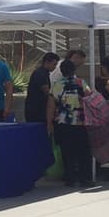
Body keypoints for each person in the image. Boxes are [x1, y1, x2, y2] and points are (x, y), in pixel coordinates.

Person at [47, 58, 90, 187]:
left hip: (63, 123)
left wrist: (49, 123)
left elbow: (50, 106)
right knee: (83, 152)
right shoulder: (81, 83)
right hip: (81, 122)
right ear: (74, 70)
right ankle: (85, 178)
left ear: (61, 70)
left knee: (67, 152)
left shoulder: (56, 85)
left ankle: (70, 178)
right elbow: (90, 97)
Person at [24, 52, 60, 125]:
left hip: (37, 109)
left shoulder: (44, 73)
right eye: (54, 64)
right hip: (36, 110)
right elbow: (47, 91)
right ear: (47, 62)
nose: (55, 67)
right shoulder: (40, 74)